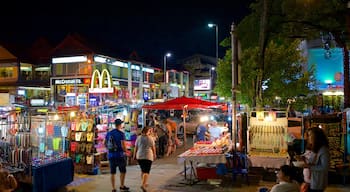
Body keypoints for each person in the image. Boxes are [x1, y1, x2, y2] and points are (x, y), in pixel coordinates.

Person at [104, 119, 129, 192]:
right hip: (120, 155)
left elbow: (104, 142)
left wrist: (109, 149)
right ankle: (121, 185)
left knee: (112, 172)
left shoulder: (109, 133)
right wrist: (126, 151)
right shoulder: (121, 134)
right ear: (120, 125)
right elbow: (123, 145)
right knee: (123, 171)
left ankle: (113, 188)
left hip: (111, 155)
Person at [303, 127, 330, 192]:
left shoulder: (323, 150)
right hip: (309, 180)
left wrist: (309, 167)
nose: (309, 137)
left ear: (317, 137)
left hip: (317, 182)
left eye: (310, 135)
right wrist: (302, 159)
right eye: (308, 135)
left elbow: (325, 167)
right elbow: (311, 160)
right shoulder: (314, 148)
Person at [133, 126, 157, 192]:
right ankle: (143, 185)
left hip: (140, 156)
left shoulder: (138, 138)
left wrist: (134, 155)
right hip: (148, 156)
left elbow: (136, 147)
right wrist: (155, 155)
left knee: (143, 170)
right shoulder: (150, 138)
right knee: (146, 171)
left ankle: (144, 182)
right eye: (150, 131)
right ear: (148, 131)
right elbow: (153, 148)